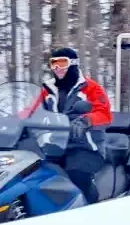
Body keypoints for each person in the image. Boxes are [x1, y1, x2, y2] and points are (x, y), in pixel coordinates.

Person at [25, 47, 112, 204]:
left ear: (73, 64)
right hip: (55, 146)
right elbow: (30, 111)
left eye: (62, 63)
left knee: (75, 174)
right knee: (36, 173)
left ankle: (91, 208)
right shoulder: (47, 89)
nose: (57, 68)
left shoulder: (91, 88)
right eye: (53, 64)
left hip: (86, 147)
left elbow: (104, 114)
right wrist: (10, 121)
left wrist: (86, 120)